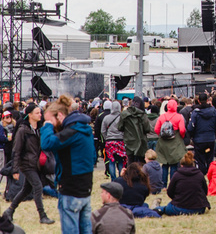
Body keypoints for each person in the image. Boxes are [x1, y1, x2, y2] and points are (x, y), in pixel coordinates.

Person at [41, 95, 96, 233]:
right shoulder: (83, 128)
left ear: (59, 115)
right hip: (85, 186)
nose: (50, 124)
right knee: (85, 229)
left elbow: (46, 143)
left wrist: (47, 126)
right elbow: (93, 156)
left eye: (50, 120)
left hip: (70, 187)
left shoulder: (71, 132)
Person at [3, 103, 53, 224]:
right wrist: (15, 170)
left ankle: (9, 211)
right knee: (38, 187)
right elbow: (16, 150)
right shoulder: (23, 130)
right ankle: (42, 215)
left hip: (35, 164)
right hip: (26, 164)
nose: (39, 115)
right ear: (30, 115)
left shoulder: (39, 129)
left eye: (40, 113)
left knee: (25, 190)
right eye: (37, 113)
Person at [155, 151, 210, 216]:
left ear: (181, 165)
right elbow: (205, 191)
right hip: (199, 208)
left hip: (179, 207)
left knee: (165, 208)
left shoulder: (177, 175)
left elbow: (170, 192)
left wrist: (178, 199)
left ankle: (157, 208)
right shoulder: (199, 174)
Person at [189, 92, 216, 175]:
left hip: (199, 139)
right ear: (208, 100)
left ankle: (202, 173)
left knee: (200, 158)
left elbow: (190, 127)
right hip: (210, 138)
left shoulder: (195, 113)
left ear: (198, 101)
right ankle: (210, 172)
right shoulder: (214, 111)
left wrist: (192, 134)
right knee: (210, 158)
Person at [153, 98, 186, 188]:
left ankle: (164, 184)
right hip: (175, 140)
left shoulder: (162, 117)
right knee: (174, 163)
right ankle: (173, 183)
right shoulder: (179, 117)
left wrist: (161, 135)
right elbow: (182, 130)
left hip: (163, 142)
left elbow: (156, 129)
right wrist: (180, 136)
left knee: (164, 163)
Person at [117, 96, 151, 165]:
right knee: (142, 162)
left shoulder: (124, 114)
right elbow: (147, 129)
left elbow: (120, 127)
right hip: (141, 141)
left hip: (129, 141)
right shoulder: (142, 115)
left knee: (130, 161)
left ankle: (130, 174)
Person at [101, 99, 126, 181]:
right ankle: (121, 178)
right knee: (120, 161)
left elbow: (103, 130)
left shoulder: (106, 118)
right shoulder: (122, 117)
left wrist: (106, 138)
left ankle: (113, 179)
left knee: (111, 161)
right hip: (120, 141)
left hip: (110, 141)